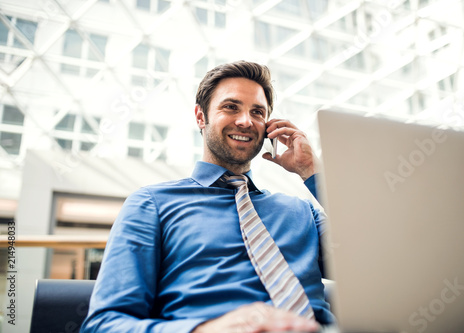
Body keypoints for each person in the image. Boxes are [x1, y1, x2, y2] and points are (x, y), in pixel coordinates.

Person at [81, 61, 335, 333]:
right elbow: (104, 324)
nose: (246, 121)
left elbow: (379, 266)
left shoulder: (303, 211)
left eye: (257, 112)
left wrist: (312, 171)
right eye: (231, 107)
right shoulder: (152, 204)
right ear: (201, 117)